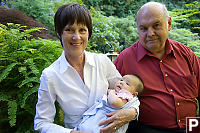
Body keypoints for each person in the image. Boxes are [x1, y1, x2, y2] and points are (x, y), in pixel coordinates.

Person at [34, 3, 138, 133]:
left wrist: (133, 112)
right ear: (59, 32)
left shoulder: (102, 62)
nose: (76, 37)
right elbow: (41, 122)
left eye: (82, 30)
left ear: (89, 33)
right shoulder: (50, 75)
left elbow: (128, 92)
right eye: (69, 30)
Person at [114, 1, 200, 133]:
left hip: (192, 127)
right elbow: (107, 98)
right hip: (147, 129)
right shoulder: (124, 60)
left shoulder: (186, 54)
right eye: (143, 28)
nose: (150, 33)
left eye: (156, 25)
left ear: (169, 24)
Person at [76, 74, 144, 133]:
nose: (121, 83)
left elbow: (115, 102)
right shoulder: (118, 93)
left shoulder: (126, 96)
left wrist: (111, 92)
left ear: (134, 94)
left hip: (106, 120)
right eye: (121, 80)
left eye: (127, 83)